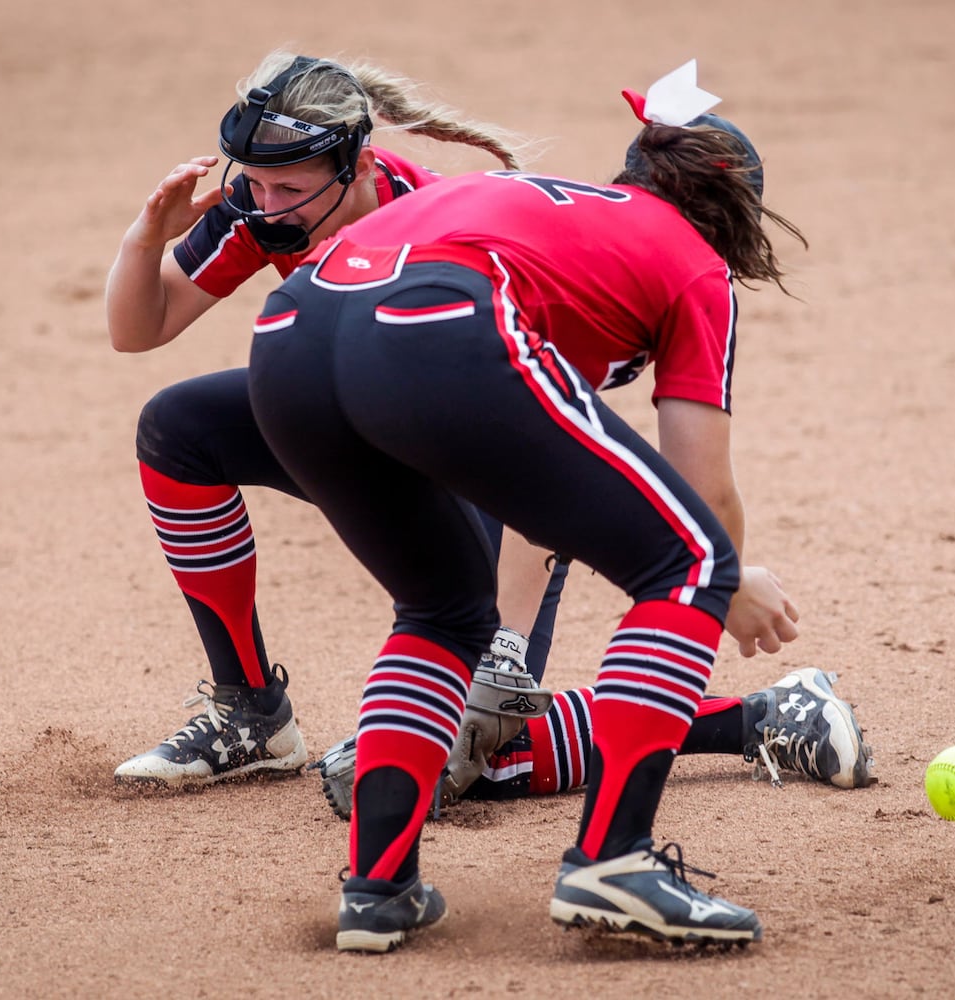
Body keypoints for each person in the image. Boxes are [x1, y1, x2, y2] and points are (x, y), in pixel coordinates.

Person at [104, 51, 874, 803]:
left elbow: (529, 442)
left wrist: (499, 655)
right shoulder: (270, 207)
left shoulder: (451, 220)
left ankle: (760, 718)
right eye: (259, 184)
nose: (267, 205)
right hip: (364, 422)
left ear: (359, 166)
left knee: (483, 744)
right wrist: (146, 239)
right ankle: (251, 714)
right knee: (181, 431)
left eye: (290, 187)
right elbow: (139, 329)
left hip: (487, 460)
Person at [244, 61, 842, 952]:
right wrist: (722, 587)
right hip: (426, 328)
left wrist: (508, 641)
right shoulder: (690, 263)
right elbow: (699, 491)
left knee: (441, 609)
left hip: (287, 336)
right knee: (689, 564)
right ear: (730, 218)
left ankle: (378, 891)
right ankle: (616, 863)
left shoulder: (543, 213)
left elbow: (528, 464)